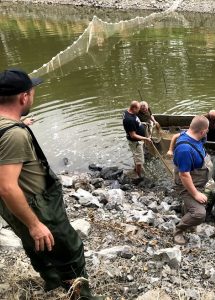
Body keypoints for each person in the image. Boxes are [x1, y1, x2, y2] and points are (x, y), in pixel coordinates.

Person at [0, 69, 104, 299]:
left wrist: (20, 124)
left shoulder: (6, 126)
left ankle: (53, 281)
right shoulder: (13, 135)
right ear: (24, 97)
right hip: (36, 204)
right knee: (69, 249)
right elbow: (6, 186)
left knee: (35, 244)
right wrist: (35, 223)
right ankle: (80, 294)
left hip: (10, 205)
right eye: (32, 92)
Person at [173, 115, 209, 245]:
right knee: (200, 213)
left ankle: (188, 216)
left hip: (198, 178)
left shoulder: (192, 134)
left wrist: (171, 150)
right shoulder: (185, 149)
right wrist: (195, 194)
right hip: (186, 181)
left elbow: (175, 136)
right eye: (207, 130)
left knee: (199, 202)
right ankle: (178, 230)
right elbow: (184, 175)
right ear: (203, 131)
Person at [123, 100, 151, 178]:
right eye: (138, 109)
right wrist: (145, 138)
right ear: (134, 108)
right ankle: (139, 176)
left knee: (136, 156)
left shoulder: (128, 112)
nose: (139, 111)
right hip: (135, 142)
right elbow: (133, 135)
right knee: (140, 161)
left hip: (136, 141)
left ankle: (136, 170)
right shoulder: (129, 120)